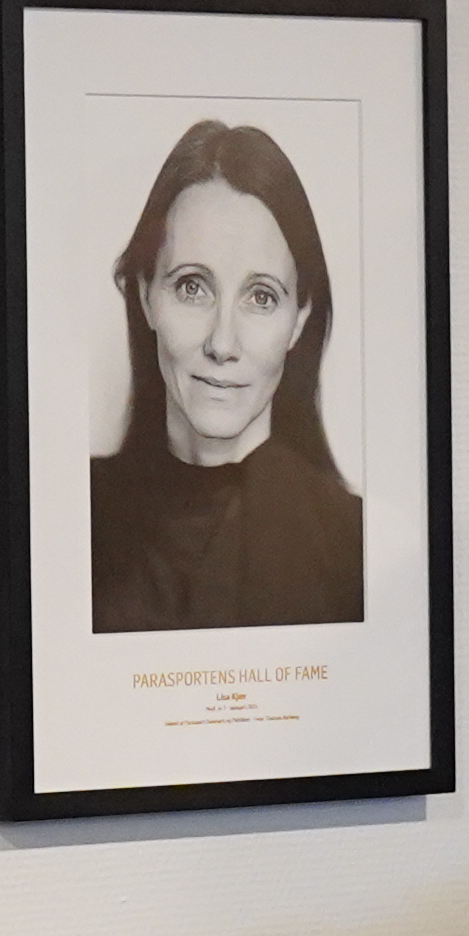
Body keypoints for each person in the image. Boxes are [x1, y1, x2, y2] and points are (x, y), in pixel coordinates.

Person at [90, 115, 366, 631]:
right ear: (146, 294)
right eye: (192, 287)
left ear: (299, 318)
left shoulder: (359, 547)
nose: (222, 343)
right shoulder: (70, 521)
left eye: (261, 297)